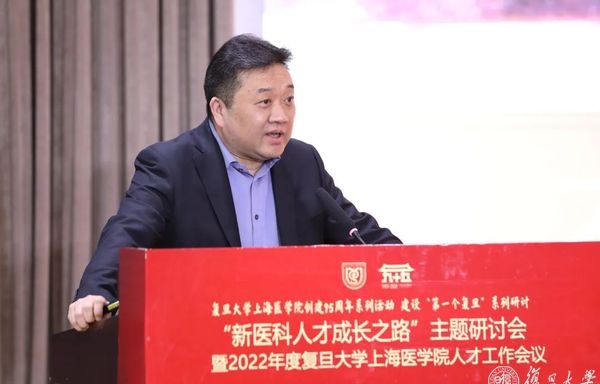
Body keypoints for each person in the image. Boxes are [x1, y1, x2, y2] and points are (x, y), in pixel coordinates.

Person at [67, 34, 401, 331]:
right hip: (202, 342)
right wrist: (97, 291)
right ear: (219, 110)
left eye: (288, 99)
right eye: (265, 102)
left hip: (289, 341)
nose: (281, 116)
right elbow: (128, 230)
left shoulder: (302, 162)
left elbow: (357, 232)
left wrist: (417, 269)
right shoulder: (171, 165)